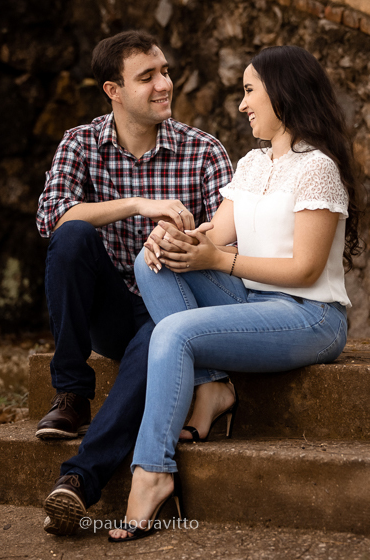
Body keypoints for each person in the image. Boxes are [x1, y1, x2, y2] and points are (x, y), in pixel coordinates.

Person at [108, 45, 362, 542]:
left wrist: (217, 259)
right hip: (252, 302)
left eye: (250, 92)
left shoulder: (318, 169)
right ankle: (214, 385)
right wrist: (172, 240)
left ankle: (153, 472)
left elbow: (306, 269)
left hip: (311, 316)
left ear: (282, 95)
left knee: (175, 333)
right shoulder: (250, 165)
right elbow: (213, 237)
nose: (243, 105)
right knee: (150, 261)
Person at [34, 30, 234, 535]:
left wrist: (188, 244)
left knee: (159, 339)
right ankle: (72, 394)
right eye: (147, 77)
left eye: (165, 72)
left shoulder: (205, 152)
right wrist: (138, 206)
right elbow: (51, 219)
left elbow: (232, 251)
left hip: (176, 306)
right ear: (113, 91)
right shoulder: (81, 142)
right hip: (112, 308)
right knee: (73, 237)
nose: (164, 84)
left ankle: (78, 481)